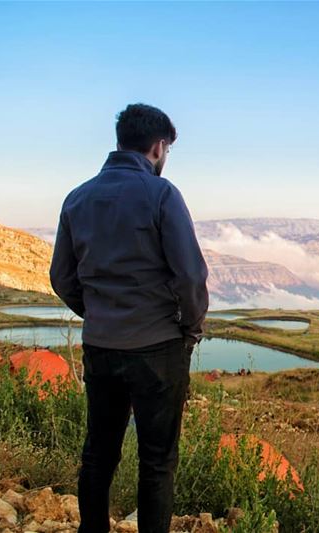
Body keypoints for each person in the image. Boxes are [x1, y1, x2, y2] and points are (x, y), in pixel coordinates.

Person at [50, 104, 209, 533]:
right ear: (159, 147)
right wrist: (190, 329)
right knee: (157, 461)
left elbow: (61, 277)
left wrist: (98, 314)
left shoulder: (77, 198)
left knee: (98, 452)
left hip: (101, 347)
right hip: (158, 350)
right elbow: (191, 275)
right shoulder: (162, 195)